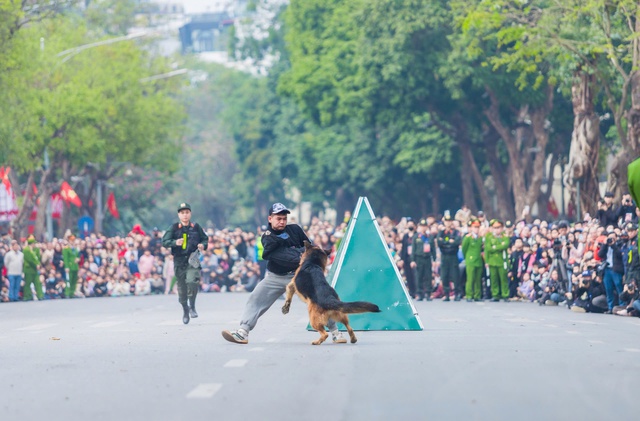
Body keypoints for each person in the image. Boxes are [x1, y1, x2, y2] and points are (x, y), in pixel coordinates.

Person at [222, 202, 347, 345]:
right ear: (270, 219)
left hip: (301, 275)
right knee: (255, 298)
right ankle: (242, 332)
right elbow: (282, 255)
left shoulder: (295, 229)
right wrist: (300, 253)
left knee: (321, 299)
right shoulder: (268, 237)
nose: (282, 221)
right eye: (278, 218)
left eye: (284, 218)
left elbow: (310, 249)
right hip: (277, 277)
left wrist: (302, 254)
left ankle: (336, 333)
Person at [162, 202, 208, 324]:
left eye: (187, 212)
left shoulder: (196, 227)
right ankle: (185, 309)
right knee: (182, 289)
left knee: (192, 281)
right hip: (179, 260)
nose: (185, 215)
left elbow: (205, 239)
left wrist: (202, 245)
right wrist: (174, 242)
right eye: (182, 213)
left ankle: (192, 305)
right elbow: (164, 241)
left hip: (193, 259)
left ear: (190, 213)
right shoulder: (174, 228)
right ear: (179, 215)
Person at [436, 215, 462, 301]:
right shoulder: (442, 232)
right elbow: (439, 242)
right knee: (445, 275)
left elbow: (457, 242)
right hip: (444, 256)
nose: (448, 223)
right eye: (446, 221)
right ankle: (446, 294)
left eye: (449, 221)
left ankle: (457, 293)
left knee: (455, 275)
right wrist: (449, 242)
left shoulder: (455, 232)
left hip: (453, 255)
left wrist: (446, 243)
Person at [485, 219, 510, 302]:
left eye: (498, 227)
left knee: (503, 279)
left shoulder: (504, 237)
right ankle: (495, 295)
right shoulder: (489, 237)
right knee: (493, 279)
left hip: (502, 261)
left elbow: (505, 245)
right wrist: (487, 261)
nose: (497, 230)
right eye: (495, 228)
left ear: (502, 228)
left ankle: (505, 294)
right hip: (492, 261)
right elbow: (488, 249)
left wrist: (495, 247)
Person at [411, 219, 435, 301]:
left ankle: (428, 293)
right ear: (419, 227)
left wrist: (434, 259)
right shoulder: (416, 236)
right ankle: (420, 293)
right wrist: (412, 260)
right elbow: (413, 249)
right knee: (419, 276)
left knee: (428, 276)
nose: (423, 228)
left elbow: (433, 249)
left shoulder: (430, 237)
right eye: (422, 226)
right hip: (419, 258)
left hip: (427, 258)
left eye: (425, 226)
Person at [462, 219, 483, 302]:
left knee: (478, 279)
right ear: (471, 228)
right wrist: (467, 257)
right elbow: (464, 249)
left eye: (478, 227)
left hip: (478, 261)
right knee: (470, 279)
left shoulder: (480, 238)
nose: (476, 229)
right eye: (475, 227)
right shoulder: (468, 238)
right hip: (470, 260)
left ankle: (477, 295)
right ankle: (469, 295)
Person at [22, 235, 43, 301]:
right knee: (27, 283)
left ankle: (40, 295)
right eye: (34, 243)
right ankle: (27, 296)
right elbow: (29, 259)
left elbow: (38, 257)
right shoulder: (26, 250)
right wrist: (36, 264)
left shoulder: (36, 249)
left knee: (37, 282)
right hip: (28, 269)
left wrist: (38, 264)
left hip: (35, 269)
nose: (35, 244)